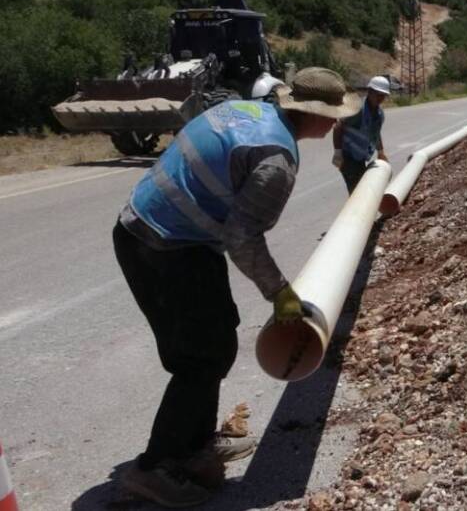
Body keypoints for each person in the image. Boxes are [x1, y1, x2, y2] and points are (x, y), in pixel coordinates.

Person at [112, 67, 361, 507]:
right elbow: (242, 239)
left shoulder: (242, 109)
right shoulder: (276, 161)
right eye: (334, 114)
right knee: (199, 356)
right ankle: (155, 468)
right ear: (317, 115)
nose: (337, 123)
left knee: (217, 338)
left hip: (157, 230)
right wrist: (280, 293)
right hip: (164, 245)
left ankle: (195, 447)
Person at [331, 75, 389, 193]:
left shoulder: (378, 114)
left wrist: (381, 152)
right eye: (378, 94)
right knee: (357, 192)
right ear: (370, 92)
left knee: (361, 189)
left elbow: (376, 133)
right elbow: (338, 127)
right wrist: (338, 153)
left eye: (383, 96)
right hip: (348, 158)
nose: (380, 98)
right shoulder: (357, 109)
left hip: (360, 158)